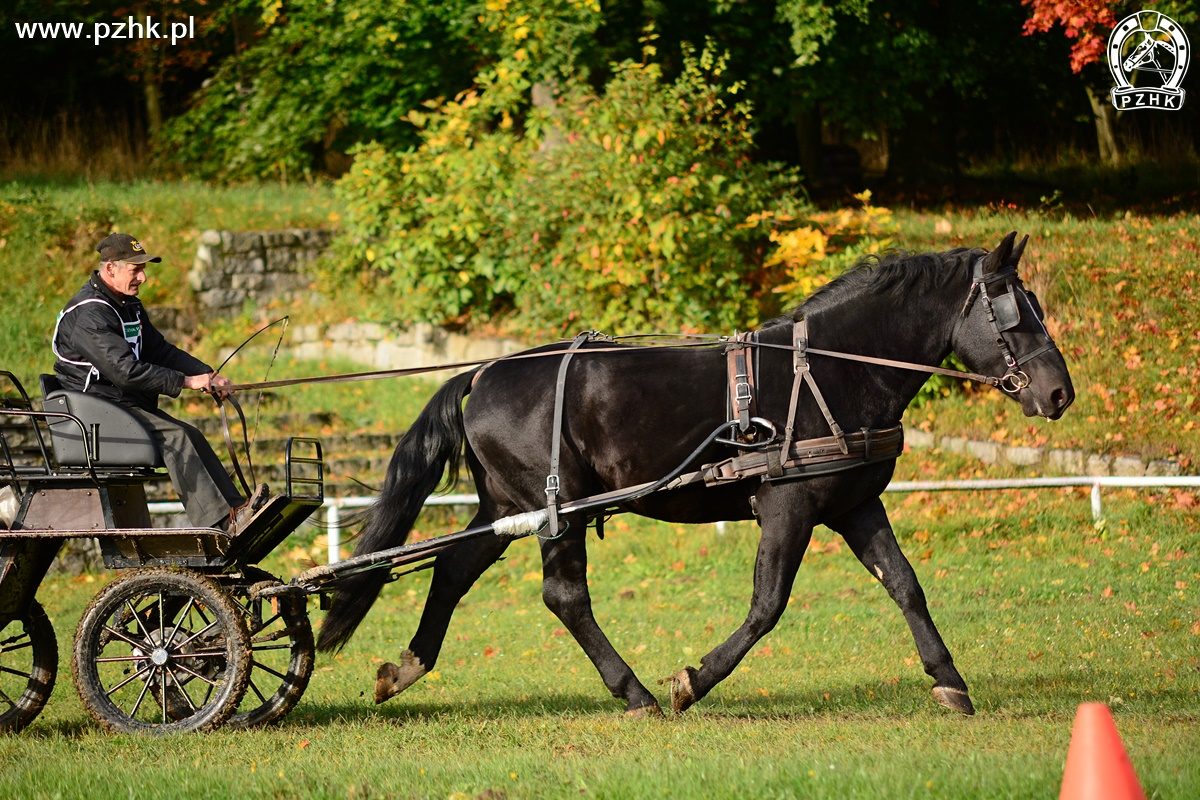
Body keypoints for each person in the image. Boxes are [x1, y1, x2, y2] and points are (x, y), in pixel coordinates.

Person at [52, 232, 268, 532]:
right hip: (92, 414)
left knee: (189, 433)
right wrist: (187, 382)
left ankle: (236, 510)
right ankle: (221, 524)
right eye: (135, 269)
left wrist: (209, 374)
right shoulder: (90, 313)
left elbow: (160, 351)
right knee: (176, 439)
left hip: (117, 406)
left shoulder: (127, 305)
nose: (143, 277)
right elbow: (124, 371)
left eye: (144, 269)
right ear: (110, 268)